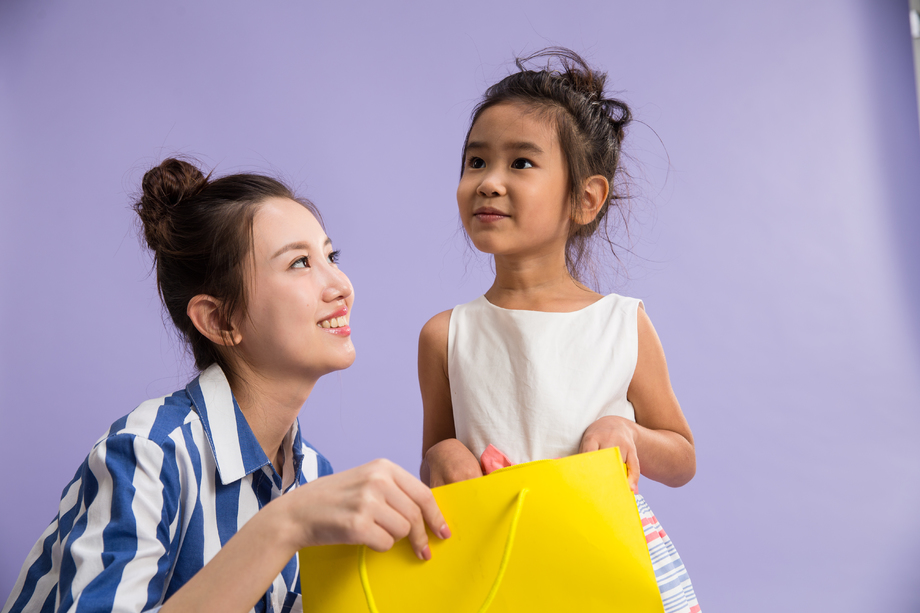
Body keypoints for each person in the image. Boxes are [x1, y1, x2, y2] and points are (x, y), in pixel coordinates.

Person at [3, 158, 450, 613]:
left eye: (330, 257)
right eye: (300, 263)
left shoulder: (314, 476)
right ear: (219, 319)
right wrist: (283, 525)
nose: (340, 285)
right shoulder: (148, 453)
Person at [418, 49, 700, 613]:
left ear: (586, 198)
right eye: (475, 162)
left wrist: (629, 434)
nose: (489, 183)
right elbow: (433, 453)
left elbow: (683, 457)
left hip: (600, 558)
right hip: (496, 565)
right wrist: (444, 458)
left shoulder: (622, 323)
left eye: (521, 163)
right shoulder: (446, 335)